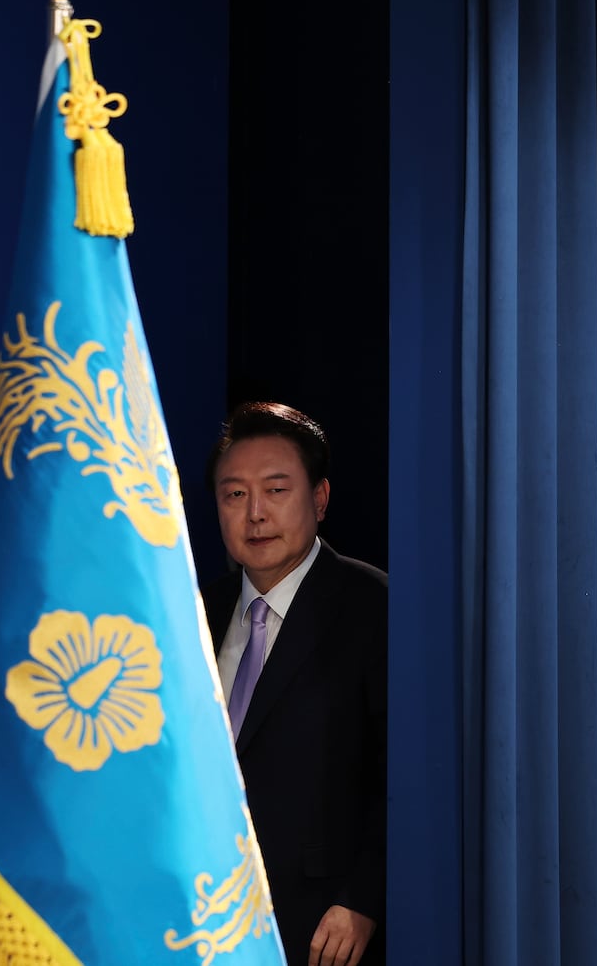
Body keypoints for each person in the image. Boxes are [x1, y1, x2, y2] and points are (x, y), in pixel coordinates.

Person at [205, 402, 387, 966]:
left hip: (321, 927)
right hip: (205, 918)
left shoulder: (375, 605)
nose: (254, 513)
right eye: (235, 494)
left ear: (320, 498)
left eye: (275, 489)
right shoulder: (195, 614)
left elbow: (403, 774)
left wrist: (363, 897)